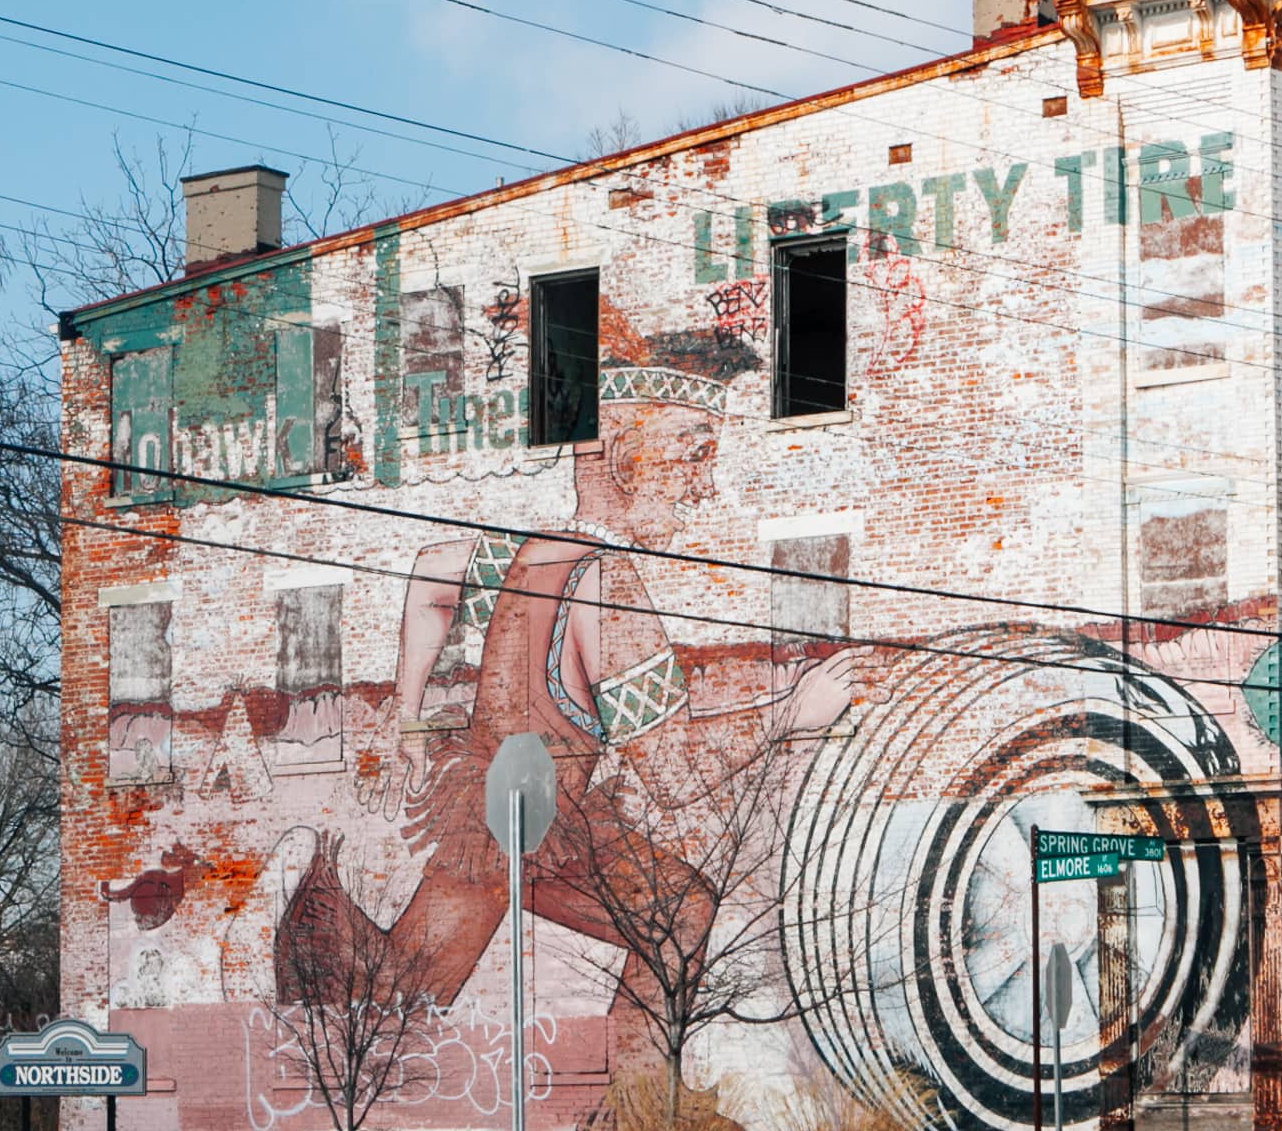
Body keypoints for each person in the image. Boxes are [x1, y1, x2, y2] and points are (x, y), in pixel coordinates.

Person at [279, 363, 855, 1007]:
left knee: (412, 982)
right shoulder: (609, 589)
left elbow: (431, 577)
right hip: (534, 826)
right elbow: (674, 772)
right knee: (678, 917)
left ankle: (318, 942)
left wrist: (409, 720)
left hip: (495, 813)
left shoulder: (533, 553)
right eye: (693, 459)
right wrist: (792, 711)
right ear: (628, 463)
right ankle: (631, 1103)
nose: (705, 489)